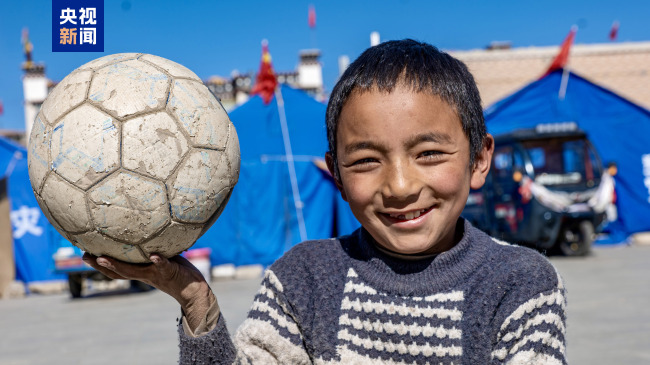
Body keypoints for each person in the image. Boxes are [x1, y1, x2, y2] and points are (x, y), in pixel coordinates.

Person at [84, 39, 567, 364]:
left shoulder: (519, 284)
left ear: (479, 159)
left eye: (429, 154)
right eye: (365, 161)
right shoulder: (304, 279)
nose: (399, 185)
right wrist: (195, 300)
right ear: (334, 172)